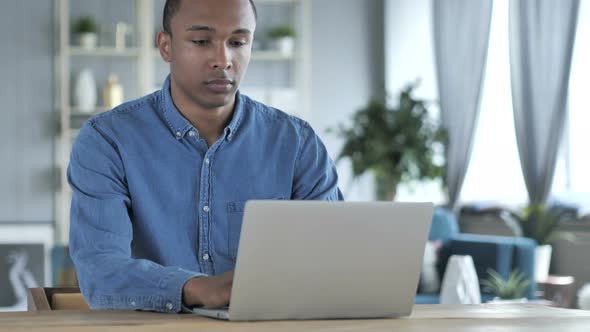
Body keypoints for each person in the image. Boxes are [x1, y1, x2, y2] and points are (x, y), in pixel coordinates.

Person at [68, 0, 343, 313]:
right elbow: (101, 272)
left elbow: (333, 259)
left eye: (238, 42)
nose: (223, 60)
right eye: (201, 41)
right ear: (166, 46)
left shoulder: (297, 143)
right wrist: (197, 288)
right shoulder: (107, 139)